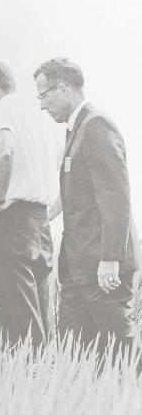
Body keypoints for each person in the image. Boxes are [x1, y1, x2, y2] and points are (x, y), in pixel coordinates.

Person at [33, 57, 139, 355]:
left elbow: (116, 196)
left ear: (64, 88)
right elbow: (74, 194)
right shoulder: (74, 131)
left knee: (122, 351)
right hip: (78, 269)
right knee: (74, 352)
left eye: (43, 95)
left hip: (102, 269)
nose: (41, 105)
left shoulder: (96, 125)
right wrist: (40, 216)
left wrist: (110, 259)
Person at [0, 60, 56, 346]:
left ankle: (24, 369)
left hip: (10, 219)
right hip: (39, 221)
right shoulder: (39, 115)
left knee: (17, 312)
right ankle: (44, 368)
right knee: (40, 309)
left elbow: (4, 151)